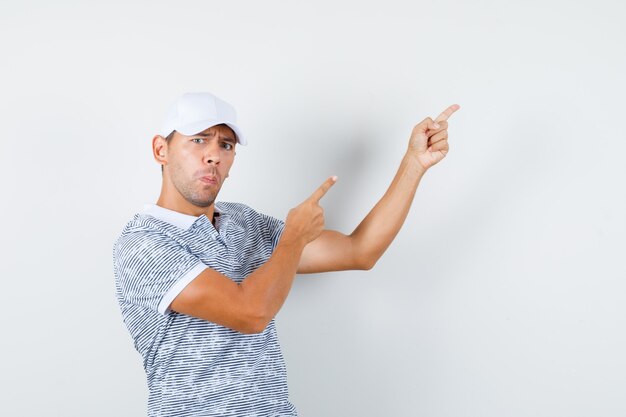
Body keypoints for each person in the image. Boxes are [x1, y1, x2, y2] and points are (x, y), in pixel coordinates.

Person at [113, 92, 459, 417]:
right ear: (161, 150)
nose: (213, 154)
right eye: (198, 140)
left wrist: (414, 164)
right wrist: (293, 237)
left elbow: (360, 251)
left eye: (226, 144)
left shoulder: (243, 222)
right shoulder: (143, 242)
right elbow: (249, 313)